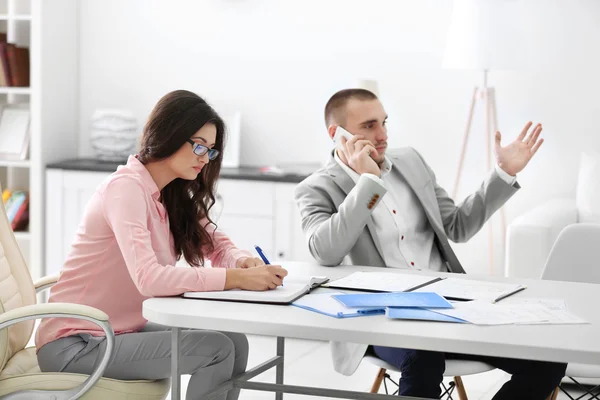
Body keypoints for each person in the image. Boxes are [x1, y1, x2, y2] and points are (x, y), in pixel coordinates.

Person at [293, 88, 565, 399]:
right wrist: (368, 183)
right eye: (368, 126)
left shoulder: (409, 161)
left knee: (548, 357)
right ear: (336, 134)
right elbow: (325, 252)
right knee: (424, 354)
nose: (382, 135)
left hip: (451, 303)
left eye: (384, 122)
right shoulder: (315, 189)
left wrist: (504, 173)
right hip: (382, 316)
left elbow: (457, 226)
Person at [35, 89, 288, 400]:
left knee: (234, 340)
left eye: (210, 150)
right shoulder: (125, 189)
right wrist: (236, 279)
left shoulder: (170, 193)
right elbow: (149, 278)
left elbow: (218, 246)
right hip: (75, 343)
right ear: (169, 134)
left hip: (118, 331)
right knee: (216, 349)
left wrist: (241, 262)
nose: (203, 158)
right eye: (198, 145)